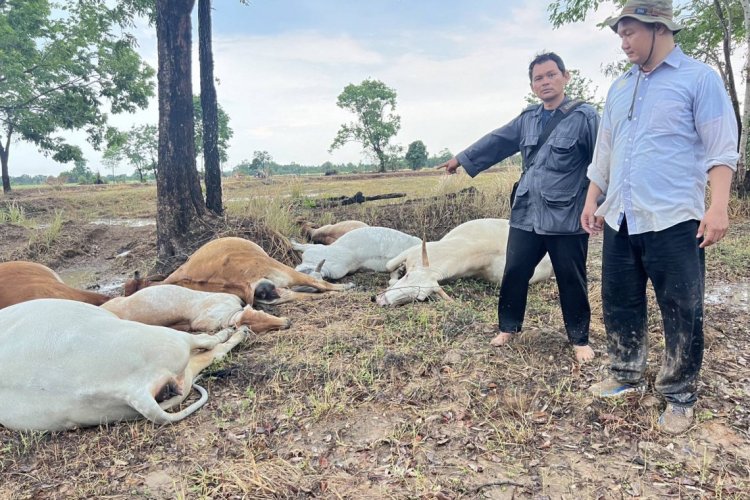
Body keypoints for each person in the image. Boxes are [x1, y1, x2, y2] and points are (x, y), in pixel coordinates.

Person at [581, 0, 738, 434]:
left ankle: (679, 394)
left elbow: (721, 146)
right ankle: (626, 373)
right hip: (622, 216)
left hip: (673, 218)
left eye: (631, 32)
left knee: (681, 307)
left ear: (659, 28)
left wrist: (719, 205)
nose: (624, 41)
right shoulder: (620, 86)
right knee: (619, 299)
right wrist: (594, 196)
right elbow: (606, 150)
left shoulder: (698, 79)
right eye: (620, 34)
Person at [438, 52, 599, 363]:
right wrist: (461, 159)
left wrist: (597, 205)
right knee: (514, 271)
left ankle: (579, 339)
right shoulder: (528, 118)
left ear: (566, 77)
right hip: (527, 212)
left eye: (552, 75)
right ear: (532, 85)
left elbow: (602, 162)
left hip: (566, 215)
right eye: (539, 78)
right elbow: (498, 141)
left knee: (571, 277)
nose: (546, 82)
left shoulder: (585, 117)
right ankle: (508, 327)